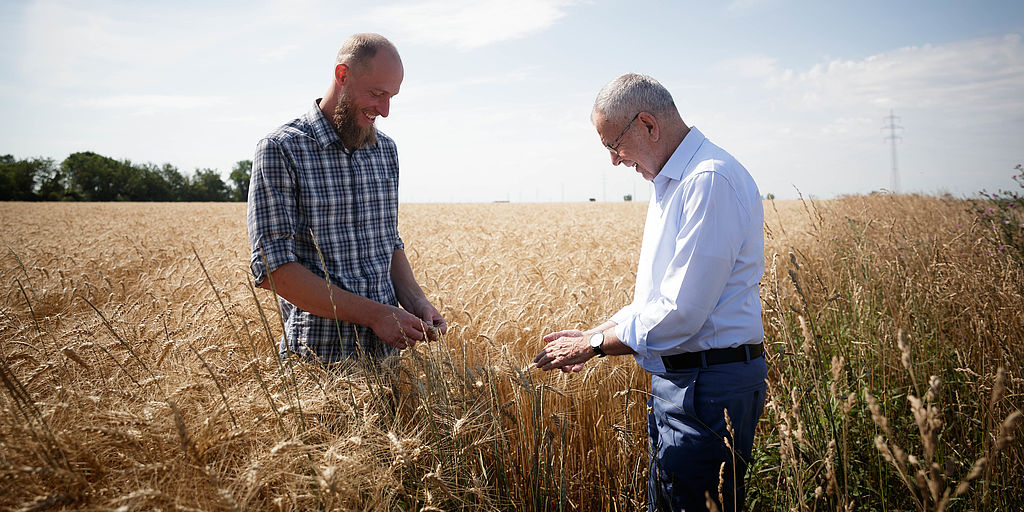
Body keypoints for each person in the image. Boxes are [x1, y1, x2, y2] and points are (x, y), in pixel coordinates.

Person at [533, 73, 767, 511]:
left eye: (612, 145)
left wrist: (595, 346)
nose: (614, 162)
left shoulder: (707, 180)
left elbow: (681, 312)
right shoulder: (673, 182)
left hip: (707, 385)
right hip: (686, 379)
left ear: (648, 124)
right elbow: (654, 303)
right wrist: (590, 333)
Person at [247, 33, 446, 364]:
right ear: (342, 75)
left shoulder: (386, 151)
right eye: (376, 94)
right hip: (319, 363)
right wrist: (376, 316)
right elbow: (274, 269)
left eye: (391, 97)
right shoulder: (282, 150)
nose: (383, 110)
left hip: (388, 359)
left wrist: (416, 302)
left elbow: (388, 242)